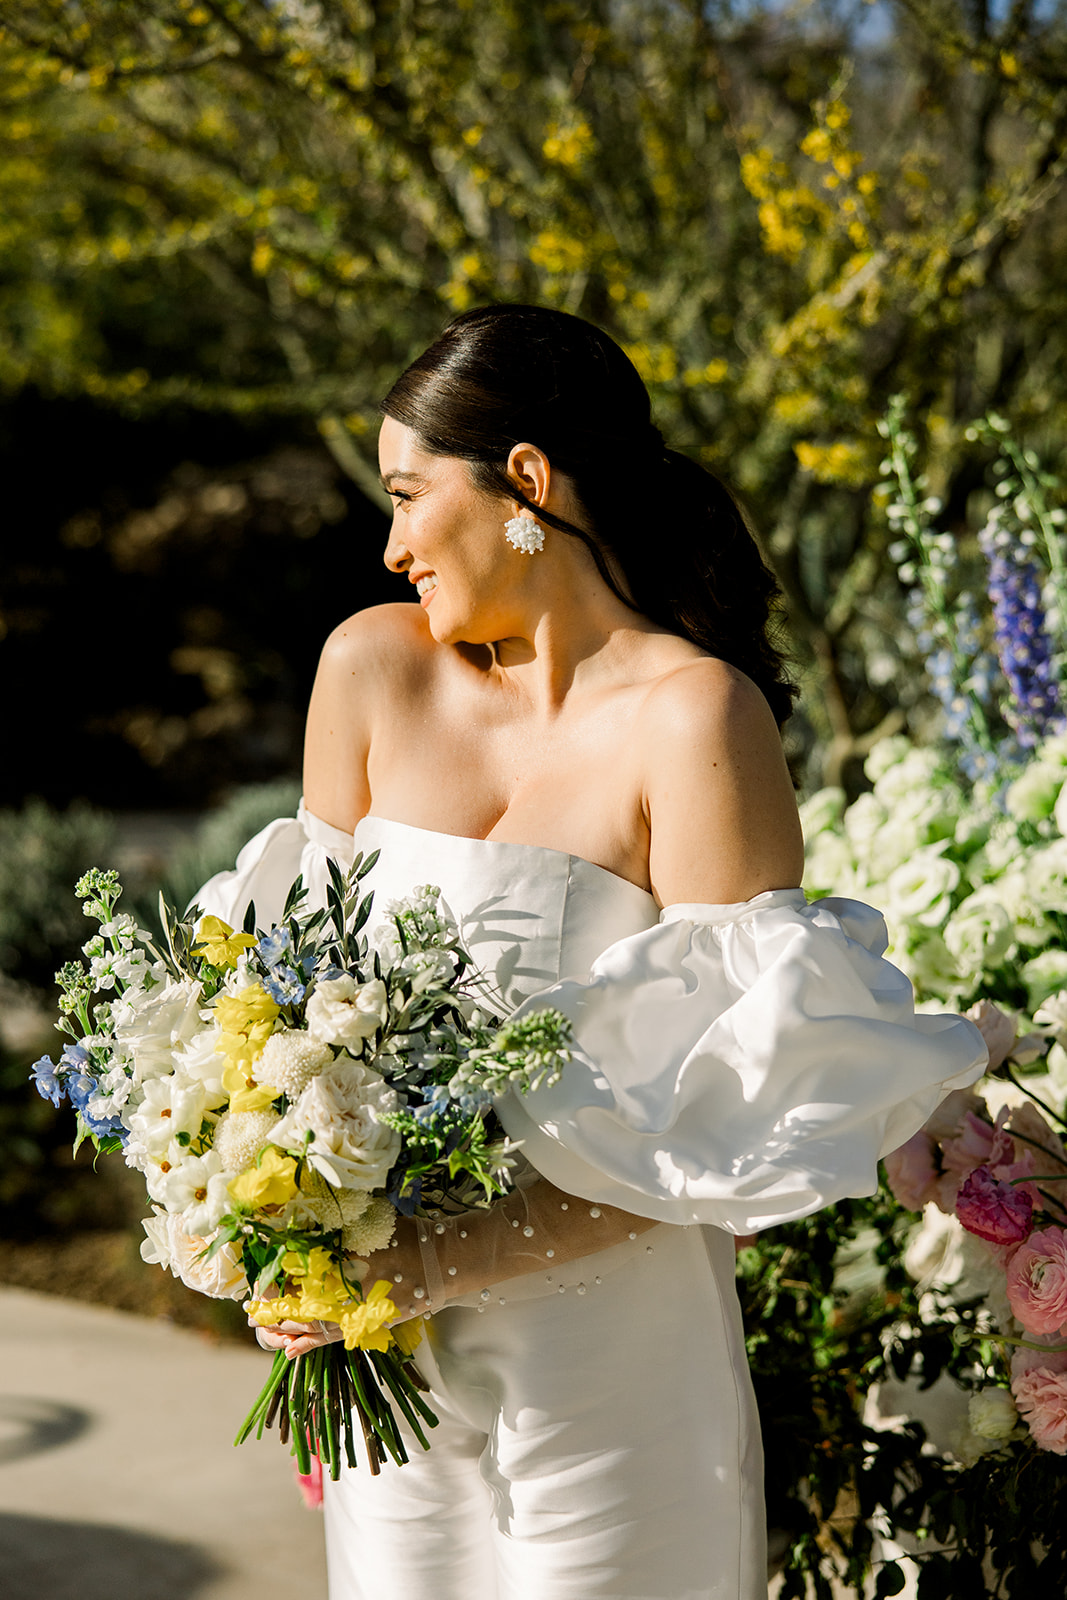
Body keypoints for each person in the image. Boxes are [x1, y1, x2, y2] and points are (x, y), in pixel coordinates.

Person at [196, 304, 988, 1600]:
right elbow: (266, 1015)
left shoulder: (696, 721)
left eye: (407, 496)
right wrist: (282, 1221)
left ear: (523, 483)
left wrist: (434, 1261)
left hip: (609, 1366)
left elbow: (722, 1129)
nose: (392, 546)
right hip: (387, 1361)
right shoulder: (369, 672)